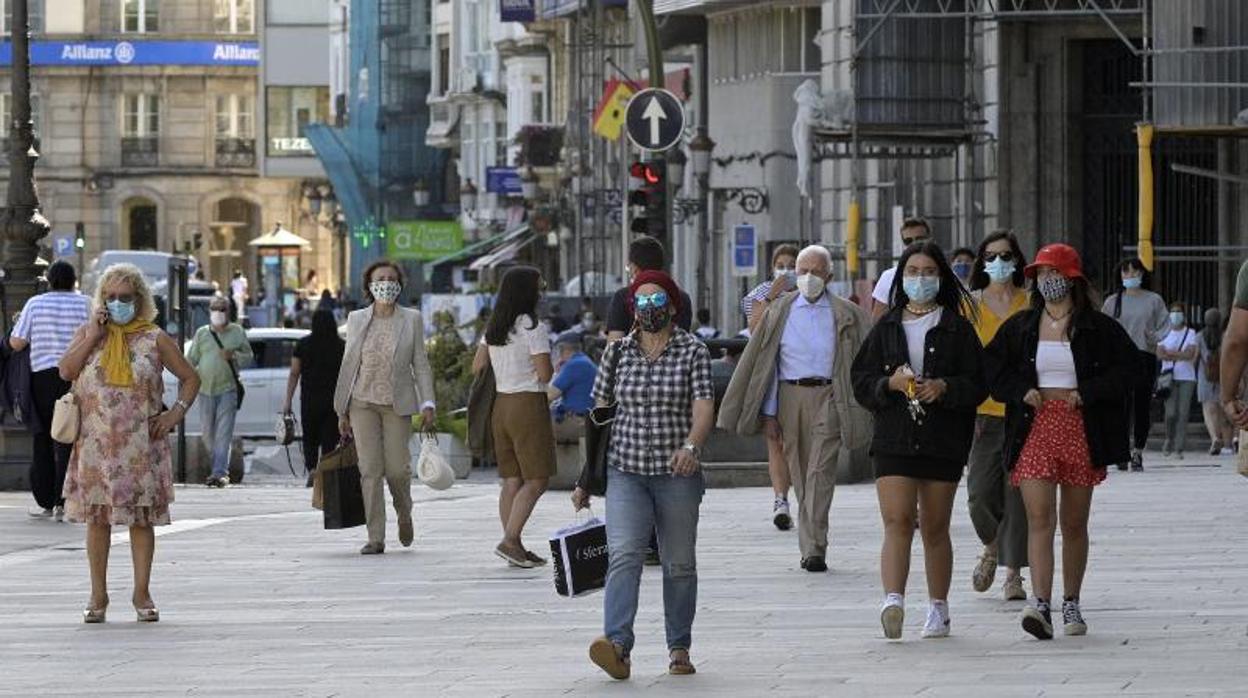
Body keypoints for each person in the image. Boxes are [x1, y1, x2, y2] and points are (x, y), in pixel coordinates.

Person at [985, 243, 1134, 640]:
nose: (1048, 281)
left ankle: (1072, 600)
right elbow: (993, 369)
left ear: (1073, 279)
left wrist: (1091, 390)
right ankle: (1040, 603)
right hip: (1035, 426)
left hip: (1079, 426)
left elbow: (1131, 370)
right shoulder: (1020, 327)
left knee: (1073, 521)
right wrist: (1020, 390)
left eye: (1055, 273)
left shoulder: (1098, 328)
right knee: (1039, 518)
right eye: (1042, 274)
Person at [572, 270, 714, 679]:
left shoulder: (693, 351)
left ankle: (679, 647)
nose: (649, 309)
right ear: (633, 308)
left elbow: (704, 406)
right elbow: (598, 415)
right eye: (642, 302)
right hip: (626, 469)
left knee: (679, 562)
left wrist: (692, 446)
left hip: (677, 472)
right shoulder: (617, 352)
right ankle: (617, 645)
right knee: (624, 555)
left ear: (672, 306)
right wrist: (585, 479)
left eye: (657, 302)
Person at [851, 240, 986, 640]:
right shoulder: (887, 326)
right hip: (894, 435)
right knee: (897, 520)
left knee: (934, 525)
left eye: (928, 272)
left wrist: (944, 387)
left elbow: (979, 383)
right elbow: (860, 380)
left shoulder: (957, 327)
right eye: (912, 272)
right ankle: (893, 599)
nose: (920, 279)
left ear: (941, 277)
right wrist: (888, 384)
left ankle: (938, 608)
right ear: (900, 278)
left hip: (942, 438)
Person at [59, 263, 201, 623]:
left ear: (139, 300)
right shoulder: (89, 333)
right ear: (100, 300)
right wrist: (92, 334)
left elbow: (190, 378)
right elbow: (66, 371)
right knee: (97, 520)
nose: (117, 303)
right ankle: (97, 594)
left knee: (140, 520)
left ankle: (142, 592)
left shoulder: (154, 338)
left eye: (125, 297)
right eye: (110, 296)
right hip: (94, 445)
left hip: (140, 446)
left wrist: (173, 416)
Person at [720, 245, 872, 572]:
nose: (808, 277)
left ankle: (815, 547)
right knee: (801, 473)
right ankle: (809, 540)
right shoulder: (780, 311)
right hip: (790, 396)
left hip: (831, 395)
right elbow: (766, 366)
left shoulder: (847, 313)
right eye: (802, 271)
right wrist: (770, 413)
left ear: (829, 276)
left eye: (816, 271)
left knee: (820, 469)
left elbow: (865, 359)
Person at [334, 260, 436, 555]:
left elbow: (421, 363)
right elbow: (349, 364)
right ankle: (375, 536)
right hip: (362, 402)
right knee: (369, 469)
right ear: (369, 284)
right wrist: (342, 409)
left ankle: (404, 513)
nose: (387, 283)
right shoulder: (355, 319)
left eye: (392, 278)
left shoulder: (412, 319)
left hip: (397, 403)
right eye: (381, 278)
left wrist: (428, 401)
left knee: (397, 471)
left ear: (400, 285)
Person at [472, 266, 556, 567]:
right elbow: (545, 373)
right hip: (527, 404)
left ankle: (514, 544)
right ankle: (510, 540)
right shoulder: (533, 326)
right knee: (537, 479)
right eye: (540, 285)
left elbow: (477, 367)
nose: (542, 290)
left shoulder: (495, 326)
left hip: (501, 405)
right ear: (528, 291)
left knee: (511, 479)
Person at [963, 232, 1031, 601]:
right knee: (980, 496)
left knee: (1018, 495)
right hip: (984, 415)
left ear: (1018, 260)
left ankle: (1013, 574)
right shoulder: (969, 305)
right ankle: (991, 545)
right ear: (982, 261)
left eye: (1006, 255)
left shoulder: (1032, 303)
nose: (999, 262)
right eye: (992, 256)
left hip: (1024, 412)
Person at [10, 260, 90, 521]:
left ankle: (46, 500)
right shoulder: (86, 303)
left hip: (41, 379)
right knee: (70, 439)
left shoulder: (35, 303)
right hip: (76, 378)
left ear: (49, 280)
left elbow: (17, 342)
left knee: (42, 438)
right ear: (73, 280)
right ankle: (63, 500)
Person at [739, 243, 800, 528]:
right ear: (772, 267)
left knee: (799, 443)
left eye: (792, 264)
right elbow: (754, 330)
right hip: (772, 375)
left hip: (801, 375)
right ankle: (780, 499)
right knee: (775, 440)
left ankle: (804, 494)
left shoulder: (808, 294)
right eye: (781, 264)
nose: (786, 270)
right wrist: (773, 297)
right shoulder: (758, 296)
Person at [1102, 258, 1169, 471]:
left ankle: (1138, 450)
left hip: (1144, 356)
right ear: (1120, 276)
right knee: (1120, 405)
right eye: (1126, 273)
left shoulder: (1154, 300)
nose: (1130, 276)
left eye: (1134, 272)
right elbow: (1102, 328)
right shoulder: (1112, 301)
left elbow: (1165, 325)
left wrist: (1155, 337)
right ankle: (1120, 451)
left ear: (1142, 274)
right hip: (1119, 360)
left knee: (1141, 406)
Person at [186, 295, 253, 488]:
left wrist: (234, 355)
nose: (218, 312)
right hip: (205, 389)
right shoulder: (202, 334)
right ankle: (218, 467)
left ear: (228, 312)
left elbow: (248, 357)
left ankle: (219, 473)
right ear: (209, 312)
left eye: (222, 309)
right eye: (215, 308)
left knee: (223, 433)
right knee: (208, 434)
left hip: (227, 389)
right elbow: (191, 359)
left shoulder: (237, 332)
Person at [283, 309, 345, 485]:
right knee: (329, 438)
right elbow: (347, 376)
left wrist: (287, 401)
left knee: (309, 438)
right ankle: (324, 472)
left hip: (309, 400)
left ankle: (312, 469)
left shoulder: (303, 345)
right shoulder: (341, 346)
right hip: (333, 401)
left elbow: (294, 373)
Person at [606, 236, 693, 340]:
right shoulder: (682, 298)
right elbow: (684, 338)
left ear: (634, 268)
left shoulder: (622, 297)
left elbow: (614, 343)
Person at [1157, 302, 1199, 459]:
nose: (1175, 315)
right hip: (1168, 378)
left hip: (1187, 377)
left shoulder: (1191, 333)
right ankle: (1169, 438)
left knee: (1183, 413)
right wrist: (1179, 354)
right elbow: (1160, 354)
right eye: (1173, 312)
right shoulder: (1164, 333)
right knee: (1170, 413)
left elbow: (1190, 354)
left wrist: (1171, 353)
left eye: (1178, 312)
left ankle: (1179, 447)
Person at [871, 217, 933, 320]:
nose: (914, 244)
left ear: (930, 239)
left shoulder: (946, 274)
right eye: (908, 241)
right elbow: (877, 321)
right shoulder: (889, 277)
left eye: (920, 239)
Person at [547, 331, 597, 444]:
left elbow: (550, 396)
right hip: (587, 420)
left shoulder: (574, 365)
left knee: (531, 426)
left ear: (565, 349)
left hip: (577, 421)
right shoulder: (584, 361)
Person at [1197, 308, 1233, 455]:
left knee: (1208, 410)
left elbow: (1195, 356)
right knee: (1223, 410)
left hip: (1205, 376)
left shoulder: (1199, 336)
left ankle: (1214, 437)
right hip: (1223, 375)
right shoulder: (1225, 336)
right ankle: (1228, 444)